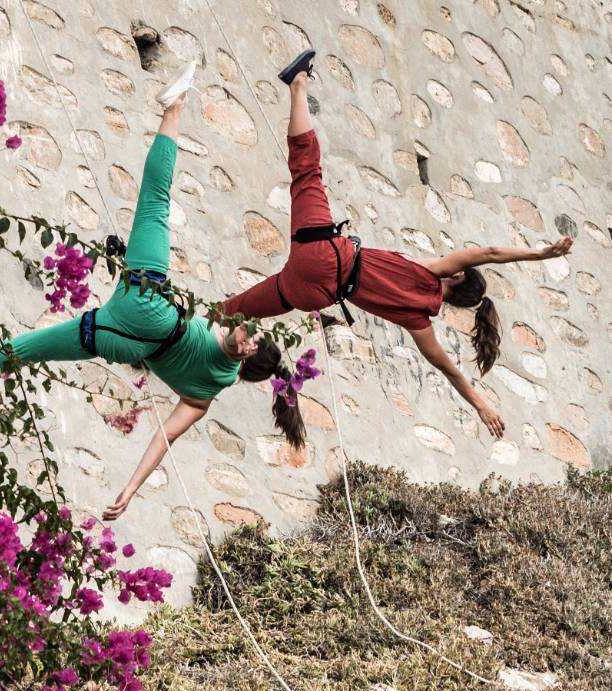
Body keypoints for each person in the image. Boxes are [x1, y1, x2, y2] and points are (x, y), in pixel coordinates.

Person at [0, 62, 295, 520]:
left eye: (251, 340)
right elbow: (163, 437)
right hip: (108, 338)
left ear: (248, 354)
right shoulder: (205, 394)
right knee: (23, 352)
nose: (246, 335)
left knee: (155, 201)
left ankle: (174, 106)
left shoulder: (223, 353)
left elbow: (231, 337)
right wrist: (130, 490)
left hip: (150, 307)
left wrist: (247, 332)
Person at [222, 48, 573, 442]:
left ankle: (299, 82)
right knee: (230, 312)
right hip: (310, 293)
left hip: (324, 255)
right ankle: (171, 343)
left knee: (307, 168)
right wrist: (482, 405)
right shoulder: (420, 321)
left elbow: (489, 253)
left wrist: (540, 253)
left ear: (456, 275)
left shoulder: (431, 271)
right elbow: (451, 371)